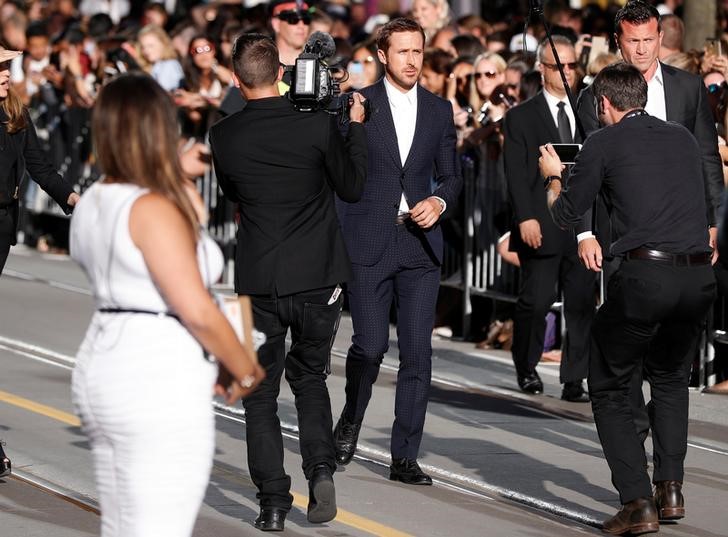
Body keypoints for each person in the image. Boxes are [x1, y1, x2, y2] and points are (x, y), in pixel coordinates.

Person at [70, 73, 264, 537]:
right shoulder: (153, 209)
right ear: (158, 129)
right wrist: (245, 368)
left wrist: (176, 178)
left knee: (125, 524)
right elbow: (195, 306)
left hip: (106, 360)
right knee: (160, 526)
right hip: (155, 375)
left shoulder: (95, 199)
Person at [544, 62, 716, 535]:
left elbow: (565, 213)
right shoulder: (680, 136)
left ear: (604, 104)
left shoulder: (602, 140)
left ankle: (637, 500)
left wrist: (554, 176)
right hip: (698, 277)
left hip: (647, 276)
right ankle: (671, 487)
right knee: (669, 378)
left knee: (610, 384)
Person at [209, 33, 367, 532]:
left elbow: (232, 193)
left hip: (257, 280)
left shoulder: (223, 135)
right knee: (311, 379)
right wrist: (354, 128)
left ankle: (273, 503)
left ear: (236, 81)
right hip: (318, 277)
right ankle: (320, 469)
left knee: (257, 394)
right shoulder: (318, 126)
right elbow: (353, 187)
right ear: (280, 72)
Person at [333, 17, 462, 485]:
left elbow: (452, 176)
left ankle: (404, 455)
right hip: (370, 238)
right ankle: (352, 413)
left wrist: (438, 200)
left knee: (418, 355)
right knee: (369, 347)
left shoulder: (438, 109)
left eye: (418, 51)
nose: (412, 60)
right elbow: (340, 169)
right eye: (403, 51)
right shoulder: (357, 103)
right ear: (383, 55)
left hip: (419, 244)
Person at [502, 35, 595, 401]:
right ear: (542, 69)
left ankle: (575, 379)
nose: (568, 72)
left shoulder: (590, 111)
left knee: (581, 304)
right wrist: (525, 217)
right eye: (560, 66)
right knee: (535, 302)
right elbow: (515, 172)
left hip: (583, 224)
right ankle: (526, 367)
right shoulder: (521, 117)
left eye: (573, 65)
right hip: (541, 222)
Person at [1, 44, 79, 275]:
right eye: (0, 66)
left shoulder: (16, 114)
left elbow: (40, 167)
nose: (6, 72)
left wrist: (71, 197)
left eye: (7, 65)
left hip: (3, 220)